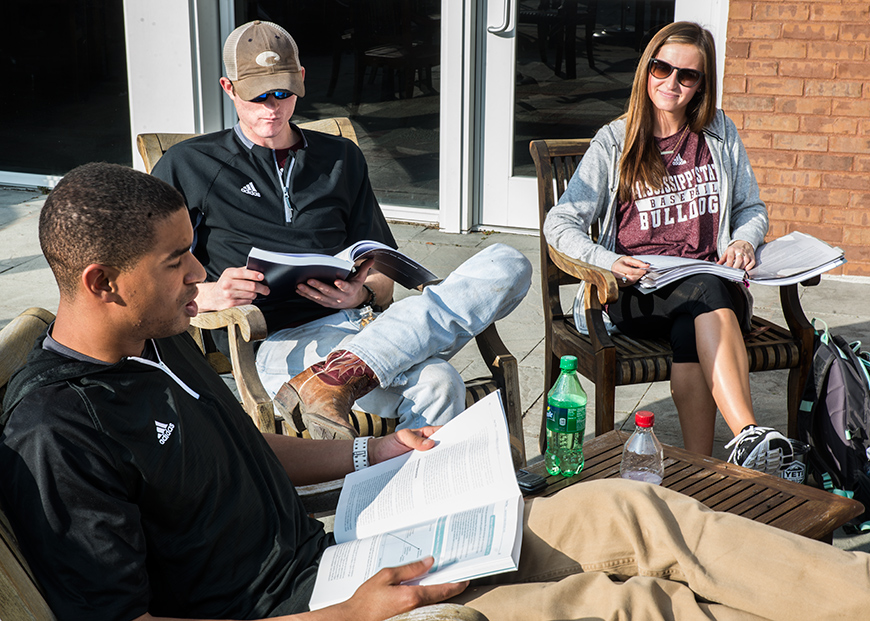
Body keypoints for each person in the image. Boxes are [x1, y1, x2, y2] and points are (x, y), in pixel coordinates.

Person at [3, 163, 870, 621]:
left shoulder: (157, 340)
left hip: (344, 548)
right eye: (177, 261)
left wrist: (367, 448)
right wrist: (349, 614)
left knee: (630, 512)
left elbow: (236, 443)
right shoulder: (56, 429)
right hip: (311, 606)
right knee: (634, 603)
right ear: (101, 281)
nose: (202, 274)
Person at [151, 20, 531, 440]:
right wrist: (206, 294)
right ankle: (400, 487)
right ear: (228, 88)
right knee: (442, 382)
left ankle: (341, 379)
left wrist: (364, 292)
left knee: (508, 262)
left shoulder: (339, 157)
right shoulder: (189, 164)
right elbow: (144, 271)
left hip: (359, 324)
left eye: (283, 92)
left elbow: (383, 271)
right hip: (278, 342)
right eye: (256, 95)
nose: (271, 108)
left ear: (301, 82)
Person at [543, 21, 791, 472]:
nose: (671, 83)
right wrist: (609, 260)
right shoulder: (616, 140)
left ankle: (700, 470)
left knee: (693, 321)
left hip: (704, 293)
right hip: (636, 292)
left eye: (687, 75)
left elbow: (751, 207)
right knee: (704, 293)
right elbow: (560, 223)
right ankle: (750, 437)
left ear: (701, 85)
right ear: (647, 69)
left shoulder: (717, 133)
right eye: (662, 68)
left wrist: (742, 239)